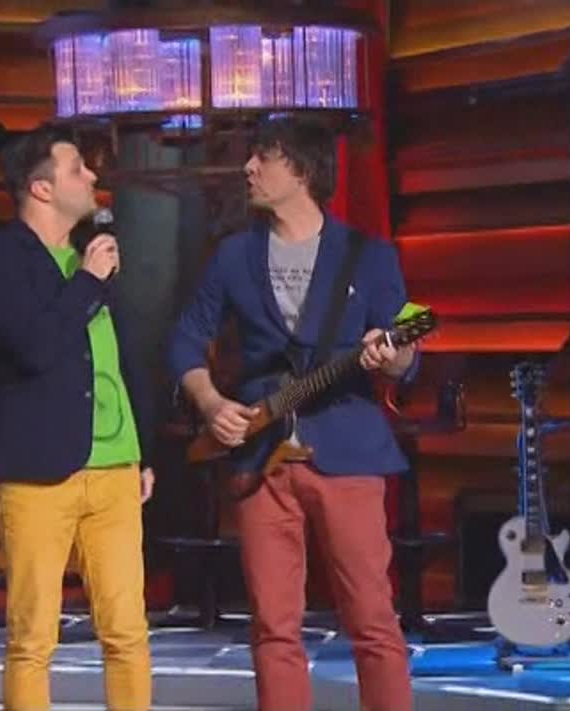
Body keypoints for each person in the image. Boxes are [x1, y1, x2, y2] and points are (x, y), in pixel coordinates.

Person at [168, 115, 418, 711]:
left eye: (264, 157)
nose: (248, 168)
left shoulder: (370, 256)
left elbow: (408, 348)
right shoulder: (233, 257)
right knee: (273, 625)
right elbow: (185, 341)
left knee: (372, 617)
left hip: (347, 453)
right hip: (260, 458)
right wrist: (212, 402)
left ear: (302, 171)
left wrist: (392, 355)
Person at [0, 123, 157, 711]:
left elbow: (122, 357)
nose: (93, 176)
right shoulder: (5, 259)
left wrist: (143, 451)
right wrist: (87, 283)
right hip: (40, 472)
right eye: (78, 168)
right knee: (33, 638)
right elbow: (35, 346)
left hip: (115, 469)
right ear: (41, 188)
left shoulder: (89, 258)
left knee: (127, 631)